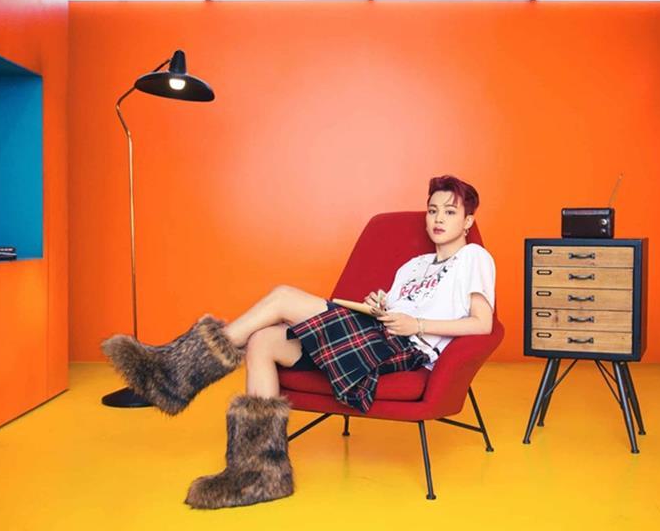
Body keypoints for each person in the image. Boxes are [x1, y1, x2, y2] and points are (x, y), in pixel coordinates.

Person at [101, 174, 496, 510]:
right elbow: (394, 309)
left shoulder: (474, 258)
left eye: (449, 212)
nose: (438, 219)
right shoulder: (413, 265)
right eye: (432, 210)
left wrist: (416, 324)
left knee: (283, 297)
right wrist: (381, 305)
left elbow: (482, 325)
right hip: (377, 334)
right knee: (263, 341)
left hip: (407, 350)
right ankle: (259, 474)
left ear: (467, 221)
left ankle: (176, 371)